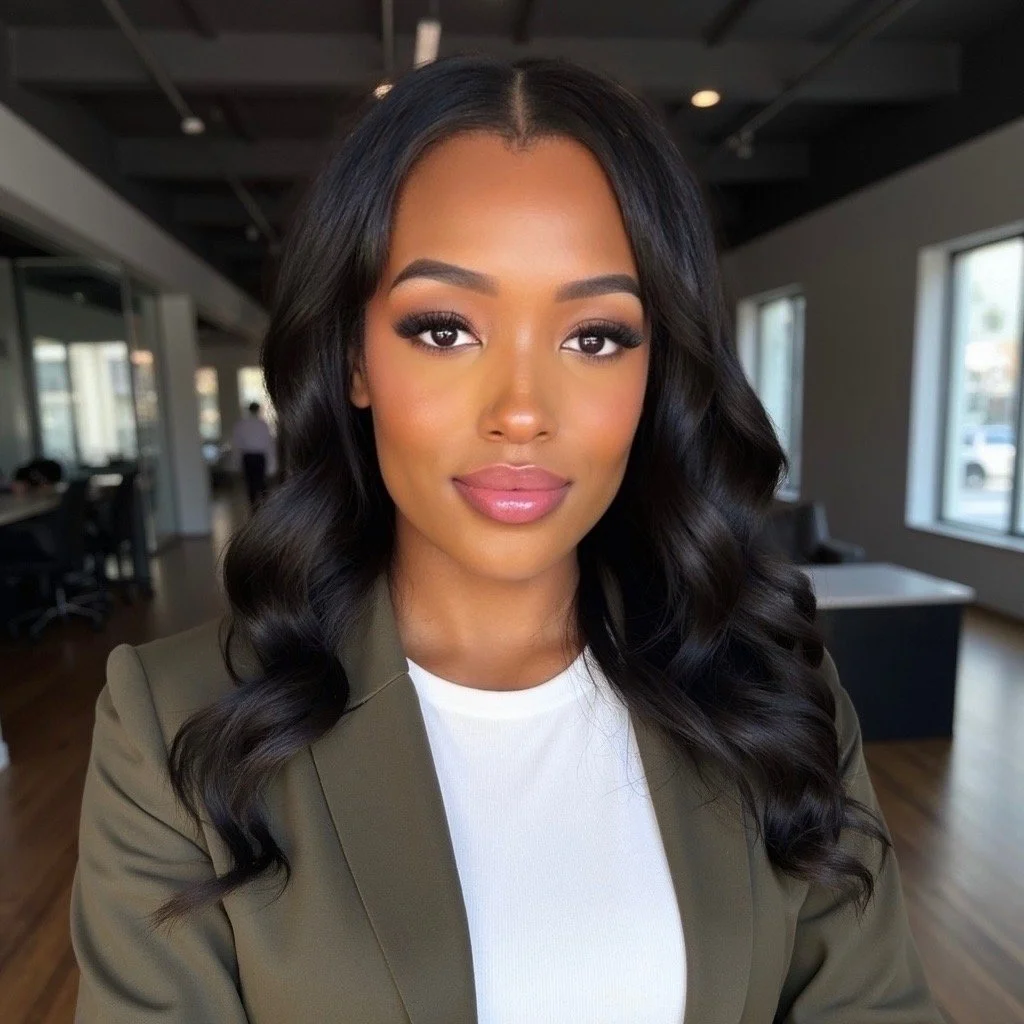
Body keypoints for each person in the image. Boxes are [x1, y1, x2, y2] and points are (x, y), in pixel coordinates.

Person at [71, 56, 941, 1023]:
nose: (522, 412)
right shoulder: (173, 726)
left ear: (657, 369)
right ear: (355, 357)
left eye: (595, 337)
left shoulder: (772, 688)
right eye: (444, 329)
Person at [230, 401, 275, 508]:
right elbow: (268, 444)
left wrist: (236, 462)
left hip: (248, 457)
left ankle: (254, 507)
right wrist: (272, 463)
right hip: (259, 457)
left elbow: (237, 444)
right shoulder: (262, 425)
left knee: (251, 483)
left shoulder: (242, 424)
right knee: (261, 481)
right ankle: (263, 505)